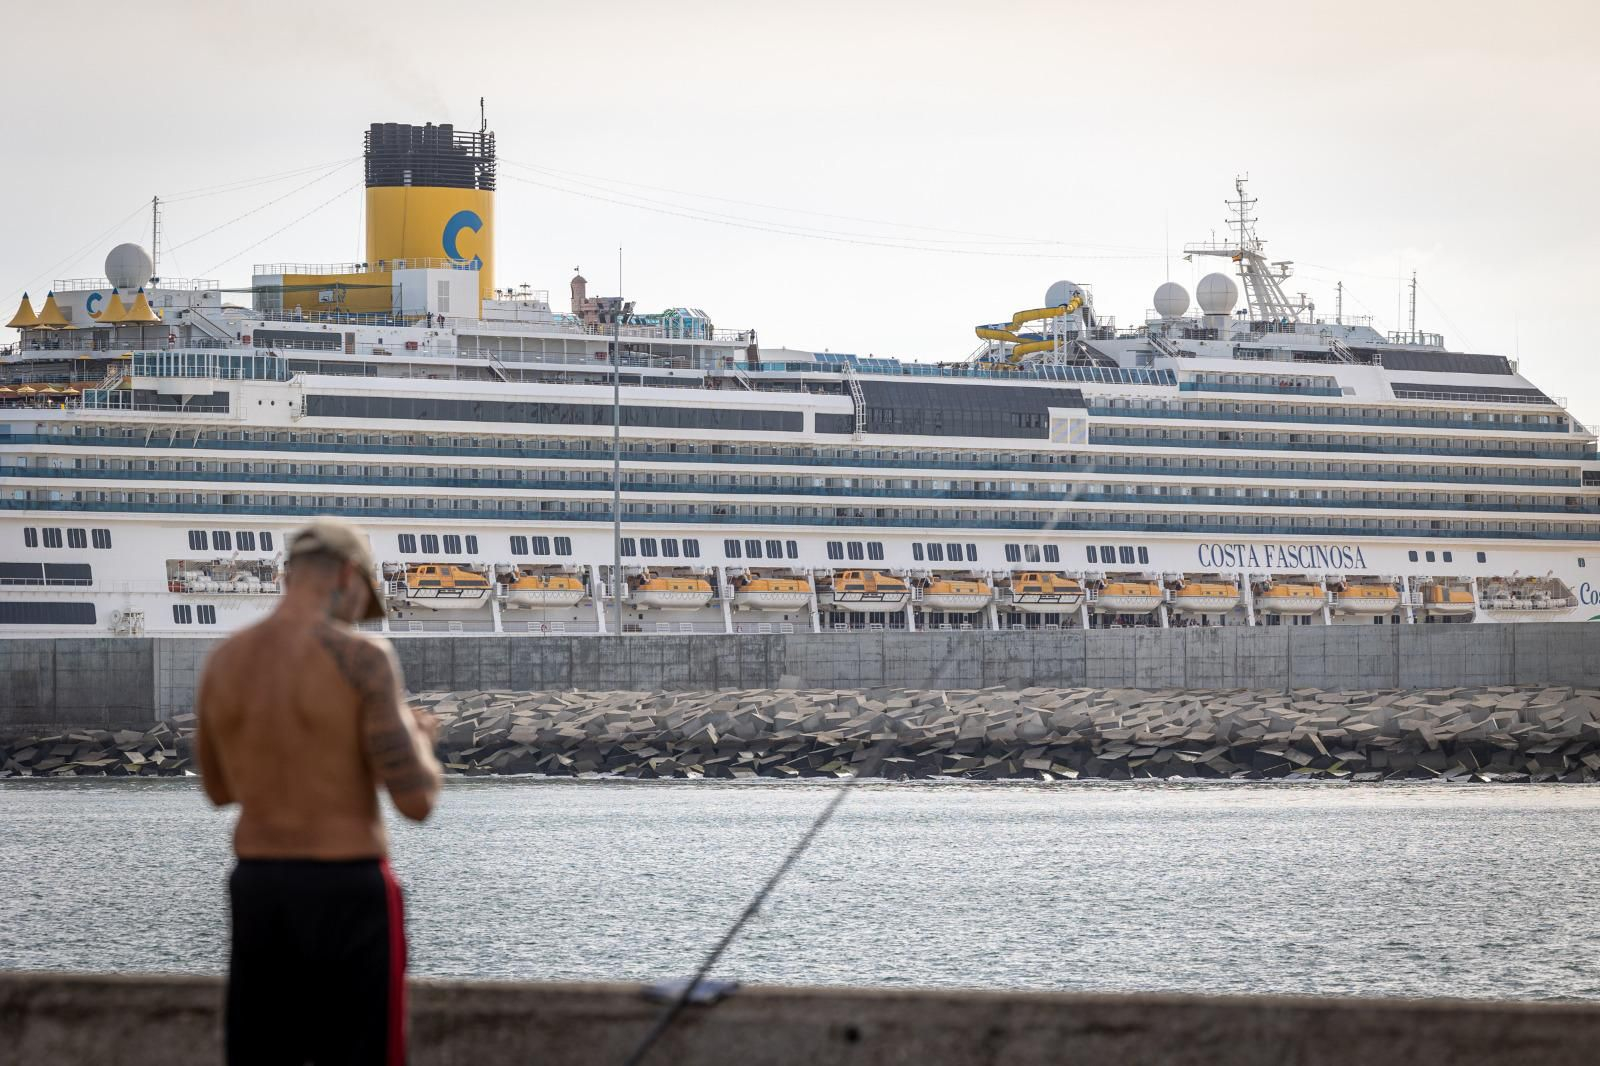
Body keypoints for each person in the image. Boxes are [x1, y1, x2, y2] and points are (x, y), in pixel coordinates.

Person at [196, 519, 443, 1065]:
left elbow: (216, 789)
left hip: (257, 884)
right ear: (348, 576)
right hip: (348, 882)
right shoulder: (363, 658)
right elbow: (417, 802)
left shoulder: (226, 660)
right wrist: (420, 740)